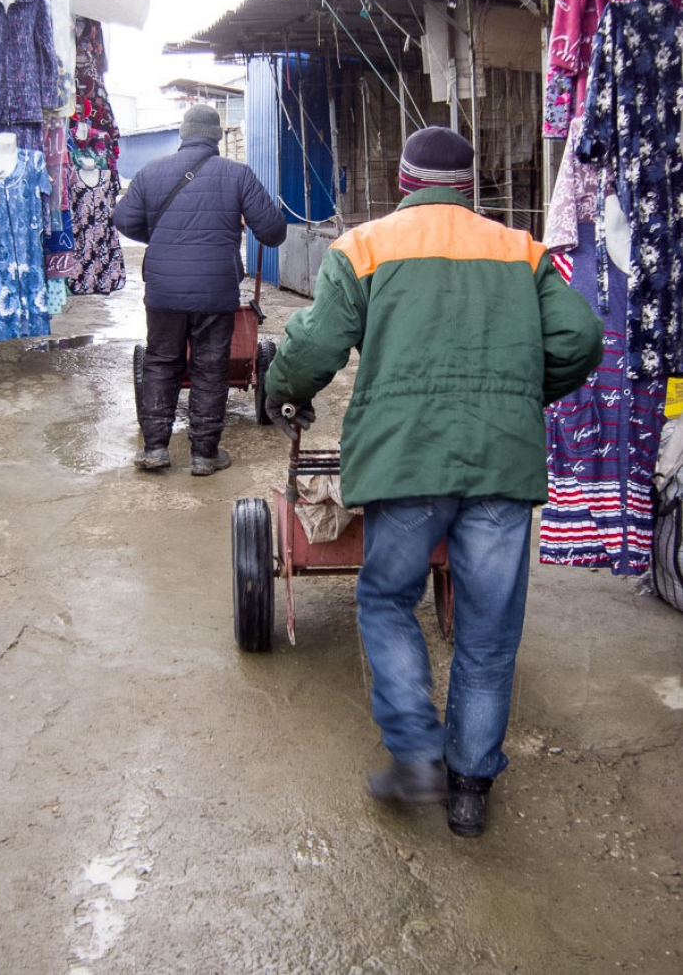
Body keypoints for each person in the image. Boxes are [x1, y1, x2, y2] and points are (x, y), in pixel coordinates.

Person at [264, 126, 604, 837]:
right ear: (471, 186)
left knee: (388, 600)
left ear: (402, 180)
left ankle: (417, 754)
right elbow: (580, 340)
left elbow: (316, 345)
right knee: (488, 631)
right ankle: (471, 788)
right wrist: (519, 397)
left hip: (407, 459)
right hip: (501, 464)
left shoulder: (362, 247)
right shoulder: (520, 250)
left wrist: (283, 389)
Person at [114, 104, 287, 475]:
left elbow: (124, 219)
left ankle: (156, 448)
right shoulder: (237, 175)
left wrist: (162, 240)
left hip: (163, 290)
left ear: (183, 134)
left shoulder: (150, 172)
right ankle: (204, 455)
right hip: (214, 289)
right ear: (217, 138)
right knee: (211, 367)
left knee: (161, 361)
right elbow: (273, 231)